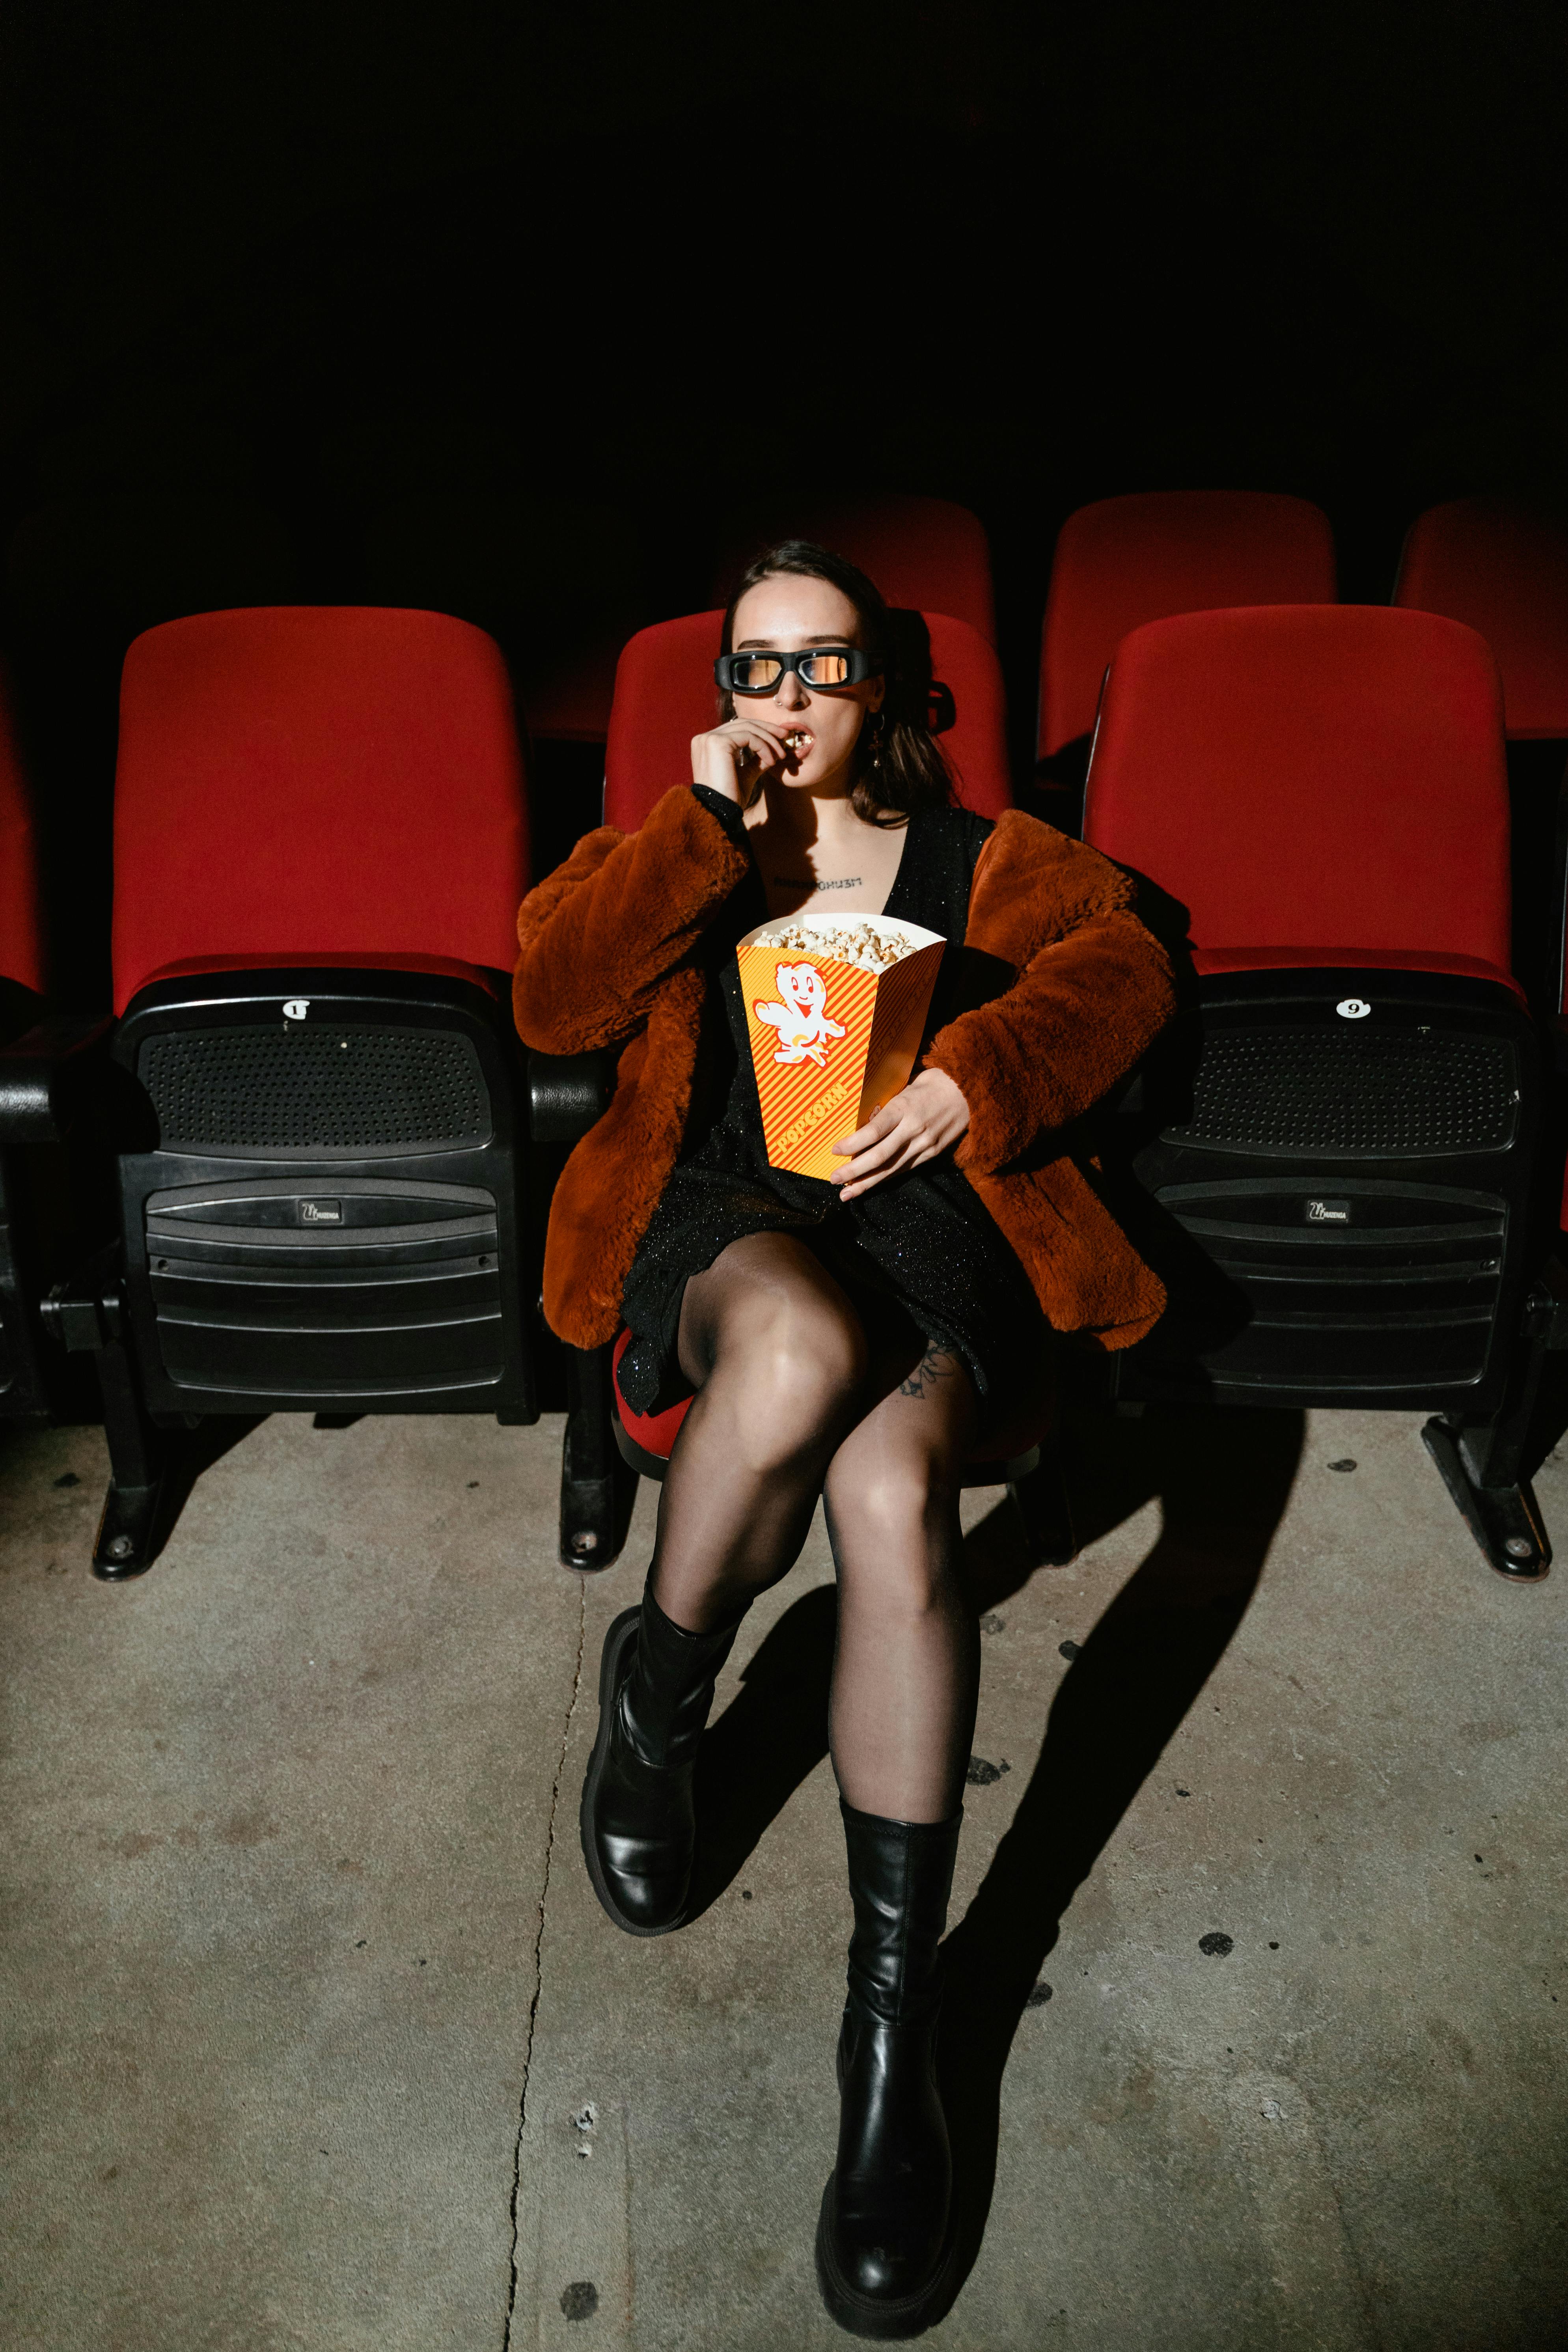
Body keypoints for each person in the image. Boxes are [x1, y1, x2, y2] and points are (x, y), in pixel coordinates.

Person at [513, 542, 1174, 2337]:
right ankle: (660, 1688)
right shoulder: (687, 841)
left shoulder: (977, 861)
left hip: (923, 1227)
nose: (785, 702)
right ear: (723, 693)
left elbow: (1130, 957)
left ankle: (894, 2035)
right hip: (725, 1221)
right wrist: (692, 835)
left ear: (880, 684)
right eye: (753, 671)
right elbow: (549, 999)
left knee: (891, 1495)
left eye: (819, 668)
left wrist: (990, 1070)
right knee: (795, 1351)